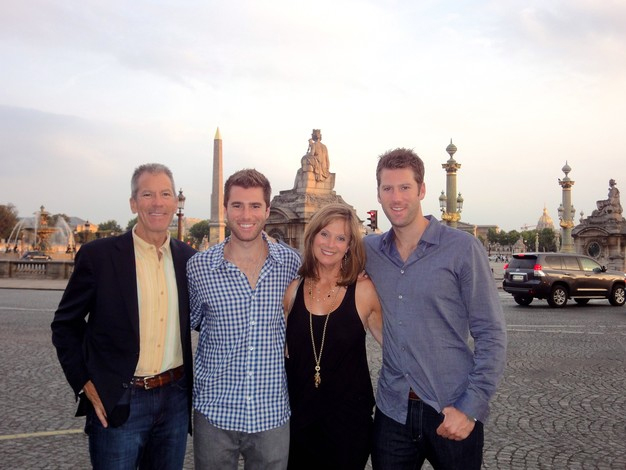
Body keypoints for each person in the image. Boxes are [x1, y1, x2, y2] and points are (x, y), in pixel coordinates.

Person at [363, 148, 507, 469]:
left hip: (452, 406)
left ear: (422, 190)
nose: (396, 197)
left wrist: (470, 407)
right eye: (388, 188)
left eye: (405, 187)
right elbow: (325, 266)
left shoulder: (462, 249)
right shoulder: (369, 250)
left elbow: (491, 334)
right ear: (378, 193)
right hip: (393, 411)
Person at [51, 163, 196, 469]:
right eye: (147, 194)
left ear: (175, 202)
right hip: (121, 398)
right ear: (133, 203)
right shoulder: (99, 257)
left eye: (165, 194)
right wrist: (84, 382)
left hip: (175, 398)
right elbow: (65, 325)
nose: (157, 203)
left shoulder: (189, 259)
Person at [188, 168, 301, 470]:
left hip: (271, 413)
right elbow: (187, 323)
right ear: (225, 208)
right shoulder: (199, 268)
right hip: (215, 412)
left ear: (267, 210)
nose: (246, 214)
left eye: (254, 206)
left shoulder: (291, 264)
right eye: (237, 205)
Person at [283, 203, 382, 470]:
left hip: (348, 426)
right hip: (298, 421)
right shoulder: (293, 290)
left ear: (349, 246)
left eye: (341, 238)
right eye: (324, 234)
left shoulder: (363, 291)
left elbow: (396, 346)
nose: (330, 244)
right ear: (312, 236)